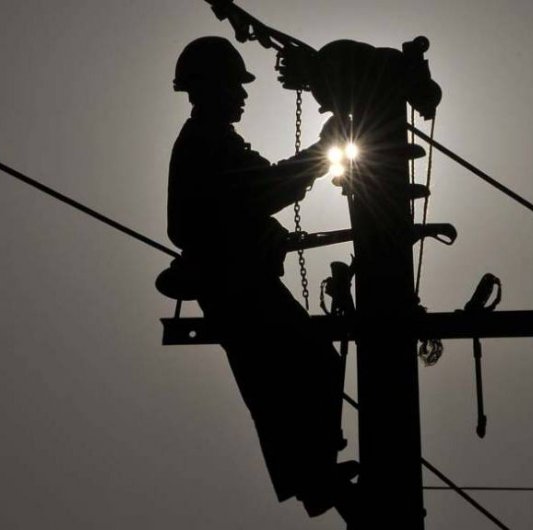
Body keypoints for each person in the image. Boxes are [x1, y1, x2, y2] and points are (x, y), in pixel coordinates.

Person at [167, 36, 356, 522]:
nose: (243, 95)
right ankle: (315, 476)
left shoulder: (210, 142)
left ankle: (314, 476)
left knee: (282, 380)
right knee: (306, 368)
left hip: (233, 282)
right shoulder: (207, 143)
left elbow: (248, 198)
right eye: (235, 85)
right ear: (210, 87)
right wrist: (323, 150)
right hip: (235, 285)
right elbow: (266, 188)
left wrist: (262, 231)